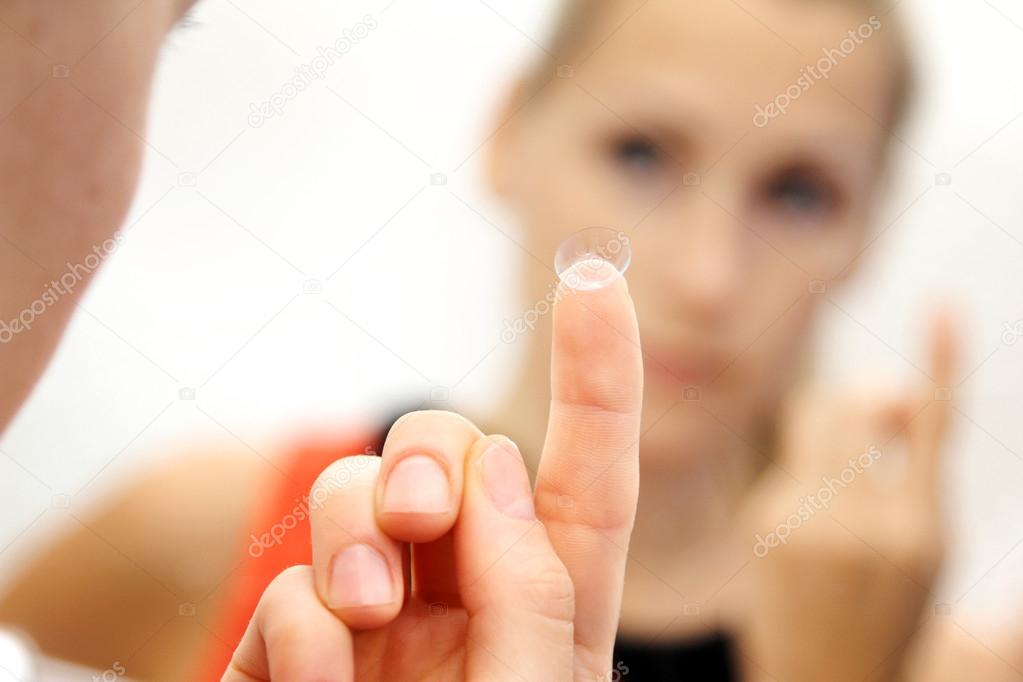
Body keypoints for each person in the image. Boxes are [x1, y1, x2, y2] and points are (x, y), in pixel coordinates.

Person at [0, 0, 1009, 680]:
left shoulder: (962, 665)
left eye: (798, 192)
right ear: (508, 137)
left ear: (870, 229)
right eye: (643, 152)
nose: (711, 275)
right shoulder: (225, 532)